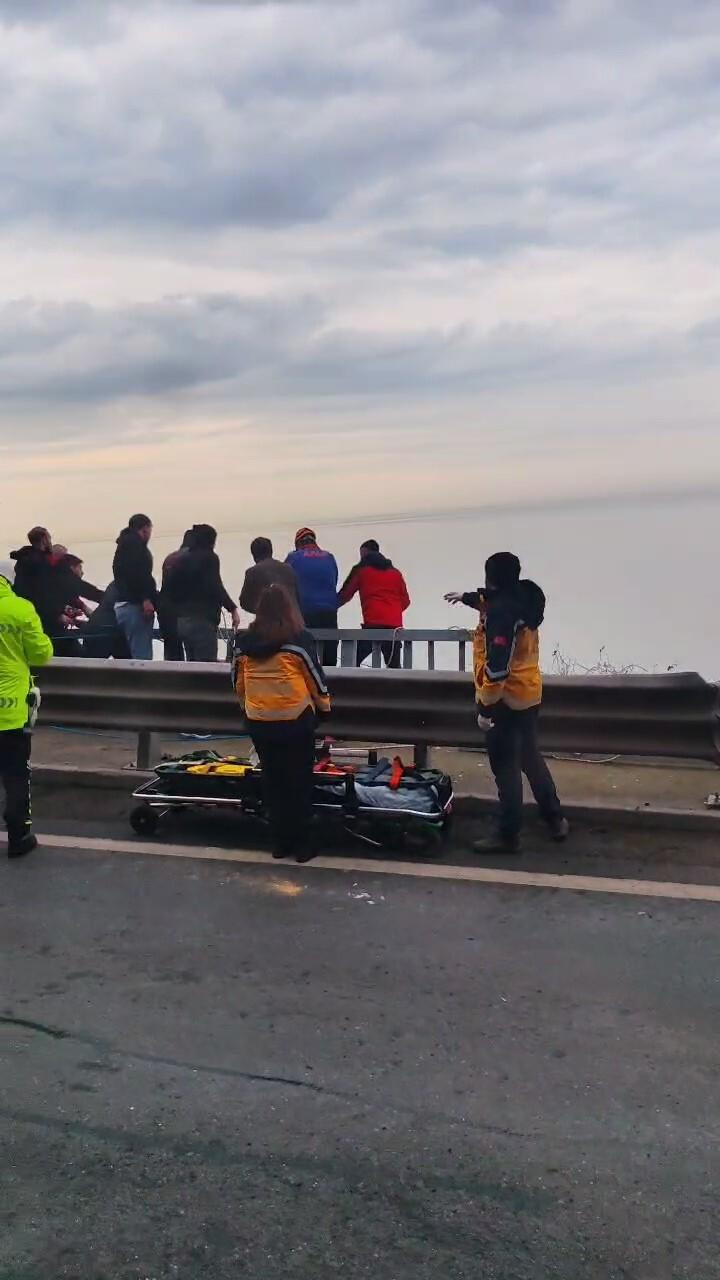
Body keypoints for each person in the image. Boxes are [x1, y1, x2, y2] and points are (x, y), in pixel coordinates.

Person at [445, 552, 568, 854]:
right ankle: (555, 818)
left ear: (491, 578)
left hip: (504, 698)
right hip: (529, 691)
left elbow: (497, 668)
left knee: (506, 768)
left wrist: (485, 709)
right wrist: (466, 598)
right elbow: (493, 600)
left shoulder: (501, 614)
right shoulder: (525, 598)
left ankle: (508, 834)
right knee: (530, 758)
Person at [233, 583, 330, 862]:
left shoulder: (245, 644)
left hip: (260, 721)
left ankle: (280, 842)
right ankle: (303, 845)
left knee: (273, 780)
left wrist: (249, 708)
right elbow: (315, 679)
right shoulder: (299, 639)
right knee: (298, 781)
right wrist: (324, 709)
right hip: (295, 721)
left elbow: (237, 682)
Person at [0, 560, 53, 858]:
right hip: (11, 711)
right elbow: (41, 653)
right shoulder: (20, 608)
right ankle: (19, 837)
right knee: (16, 774)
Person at [163, 524, 240, 662]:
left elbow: (171, 590)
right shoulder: (210, 557)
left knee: (192, 665)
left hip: (183, 621)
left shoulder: (181, 560)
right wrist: (232, 608)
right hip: (202, 621)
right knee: (206, 667)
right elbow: (215, 586)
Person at [338, 539, 410, 668]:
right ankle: (396, 688)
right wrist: (391, 612)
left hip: (372, 625)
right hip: (394, 628)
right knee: (394, 668)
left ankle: (356, 687)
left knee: (352, 661)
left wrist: (329, 607)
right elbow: (405, 601)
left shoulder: (361, 570)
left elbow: (345, 595)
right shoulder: (395, 573)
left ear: (364, 553)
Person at [285, 527, 339, 666]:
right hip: (329, 613)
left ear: (298, 543)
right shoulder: (329, 557)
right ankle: (330, 682)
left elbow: (284, 584)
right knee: (329, 660)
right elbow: (334, 580)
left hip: (305, 613)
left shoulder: (293, 557)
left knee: (303, 658)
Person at [112, 514, 157, 660]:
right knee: (142, 656)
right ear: (144, 529)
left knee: (130, 654)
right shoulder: (136, 545)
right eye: (149, 530)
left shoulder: (122, 546)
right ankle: (144, 682)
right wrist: (145, 599)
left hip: (122, 604)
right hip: (134, 606)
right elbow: (138, 574)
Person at [158, 530, 194, 661]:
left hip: (165, 611)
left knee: (172, 655)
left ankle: (171, 680)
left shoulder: (170, 558)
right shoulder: (191, 558)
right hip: (183, 612)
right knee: (193, 655)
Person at [240, 537, 299, 615]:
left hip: (269, 622)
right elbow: (297, 596)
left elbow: (244, 603)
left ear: (253, 555)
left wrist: (260, 611)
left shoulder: (252, 572)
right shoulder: (288, 568)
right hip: (293, 620)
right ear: (271, 551)